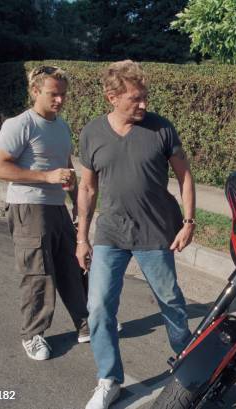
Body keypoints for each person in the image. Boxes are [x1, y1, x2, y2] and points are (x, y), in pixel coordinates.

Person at [76, 60, 195, 409]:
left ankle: (187, 366)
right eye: (135, 98)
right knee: (98, 308)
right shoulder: (92, 133)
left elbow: (185, 176)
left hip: (155, 233)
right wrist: (82, 237)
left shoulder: (161, 129)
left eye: (145, 97)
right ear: (111, 97)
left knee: (171, 302)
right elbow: (87, 187)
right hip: (110, 233)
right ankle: (109, 378)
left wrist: (188, 222)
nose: (144, 105)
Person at [0, 65, 90, 361]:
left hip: (56, 207)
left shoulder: (61, 125)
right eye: (53, 94)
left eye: (63, 95)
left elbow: (65, 164)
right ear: (35, 91)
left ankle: (84, 324)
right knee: (38, 273)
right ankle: (32, 334)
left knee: (74, 266)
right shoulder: (20, 124)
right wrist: (46, 177)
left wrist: (75, 202)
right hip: (28, 206)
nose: (60, 100)